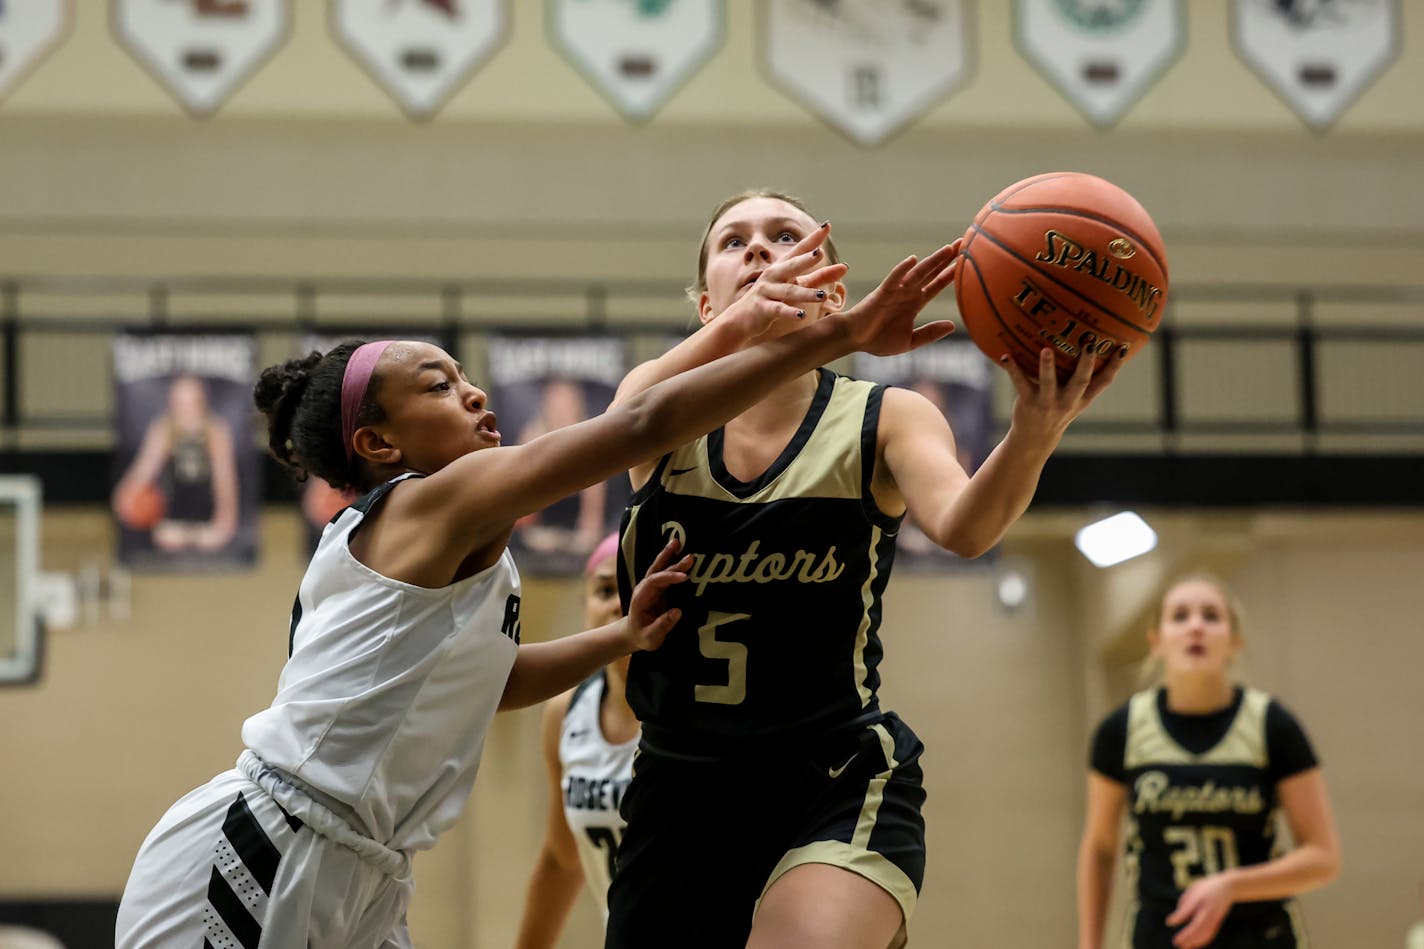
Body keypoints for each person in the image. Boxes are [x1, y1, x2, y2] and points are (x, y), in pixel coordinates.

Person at [114, 242, 960, 949]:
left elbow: (490, 678)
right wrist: (836, 336)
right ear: (377, 442)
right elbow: (635, 426)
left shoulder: (452, 550)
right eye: (439, 387)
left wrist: (621, 635)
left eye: (464, 374)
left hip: (364, 862)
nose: (475, 391)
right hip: (269, 843)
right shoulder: (430, 501)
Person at [606, 189, 1123, 949]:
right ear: (706, 304)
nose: (757, 249)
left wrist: (1033, 433)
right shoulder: (658, 407)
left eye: (785, 235)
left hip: (834, 772)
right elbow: (619, 427)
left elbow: (966, 526)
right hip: (681, 785)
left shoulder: (887, 416)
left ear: (834, 289)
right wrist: (752, 329)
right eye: (733, 242)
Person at [1076, 574, 1341, 949]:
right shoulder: (1121, 730)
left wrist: (1232, 886)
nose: (1196, 626)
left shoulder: (1272, 725)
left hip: (1259, 935)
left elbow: (1323, 857)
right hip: (1161, 935)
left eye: (1211, 616)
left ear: (1234, 641)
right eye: (1180, 616)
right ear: (1157, 641)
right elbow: (1100, 847)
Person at [511, 533, 637, 948]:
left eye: (636, 585)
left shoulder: (707, 708)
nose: (620, 603)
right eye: (605, 590)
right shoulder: (565, 713)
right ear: (584, 607)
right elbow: (563, 859)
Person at [111, 373, 240, 554]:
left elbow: (224, 481)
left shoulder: (215, 431)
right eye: (179, 404)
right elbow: (143, 470)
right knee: (167, 537)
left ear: (201, 403)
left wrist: (225, 523)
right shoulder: (163, 429)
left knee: (208, 539)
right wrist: (124, 496)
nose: (185, 410)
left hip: (207, 517)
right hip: (172, 518)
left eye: (190, 403)